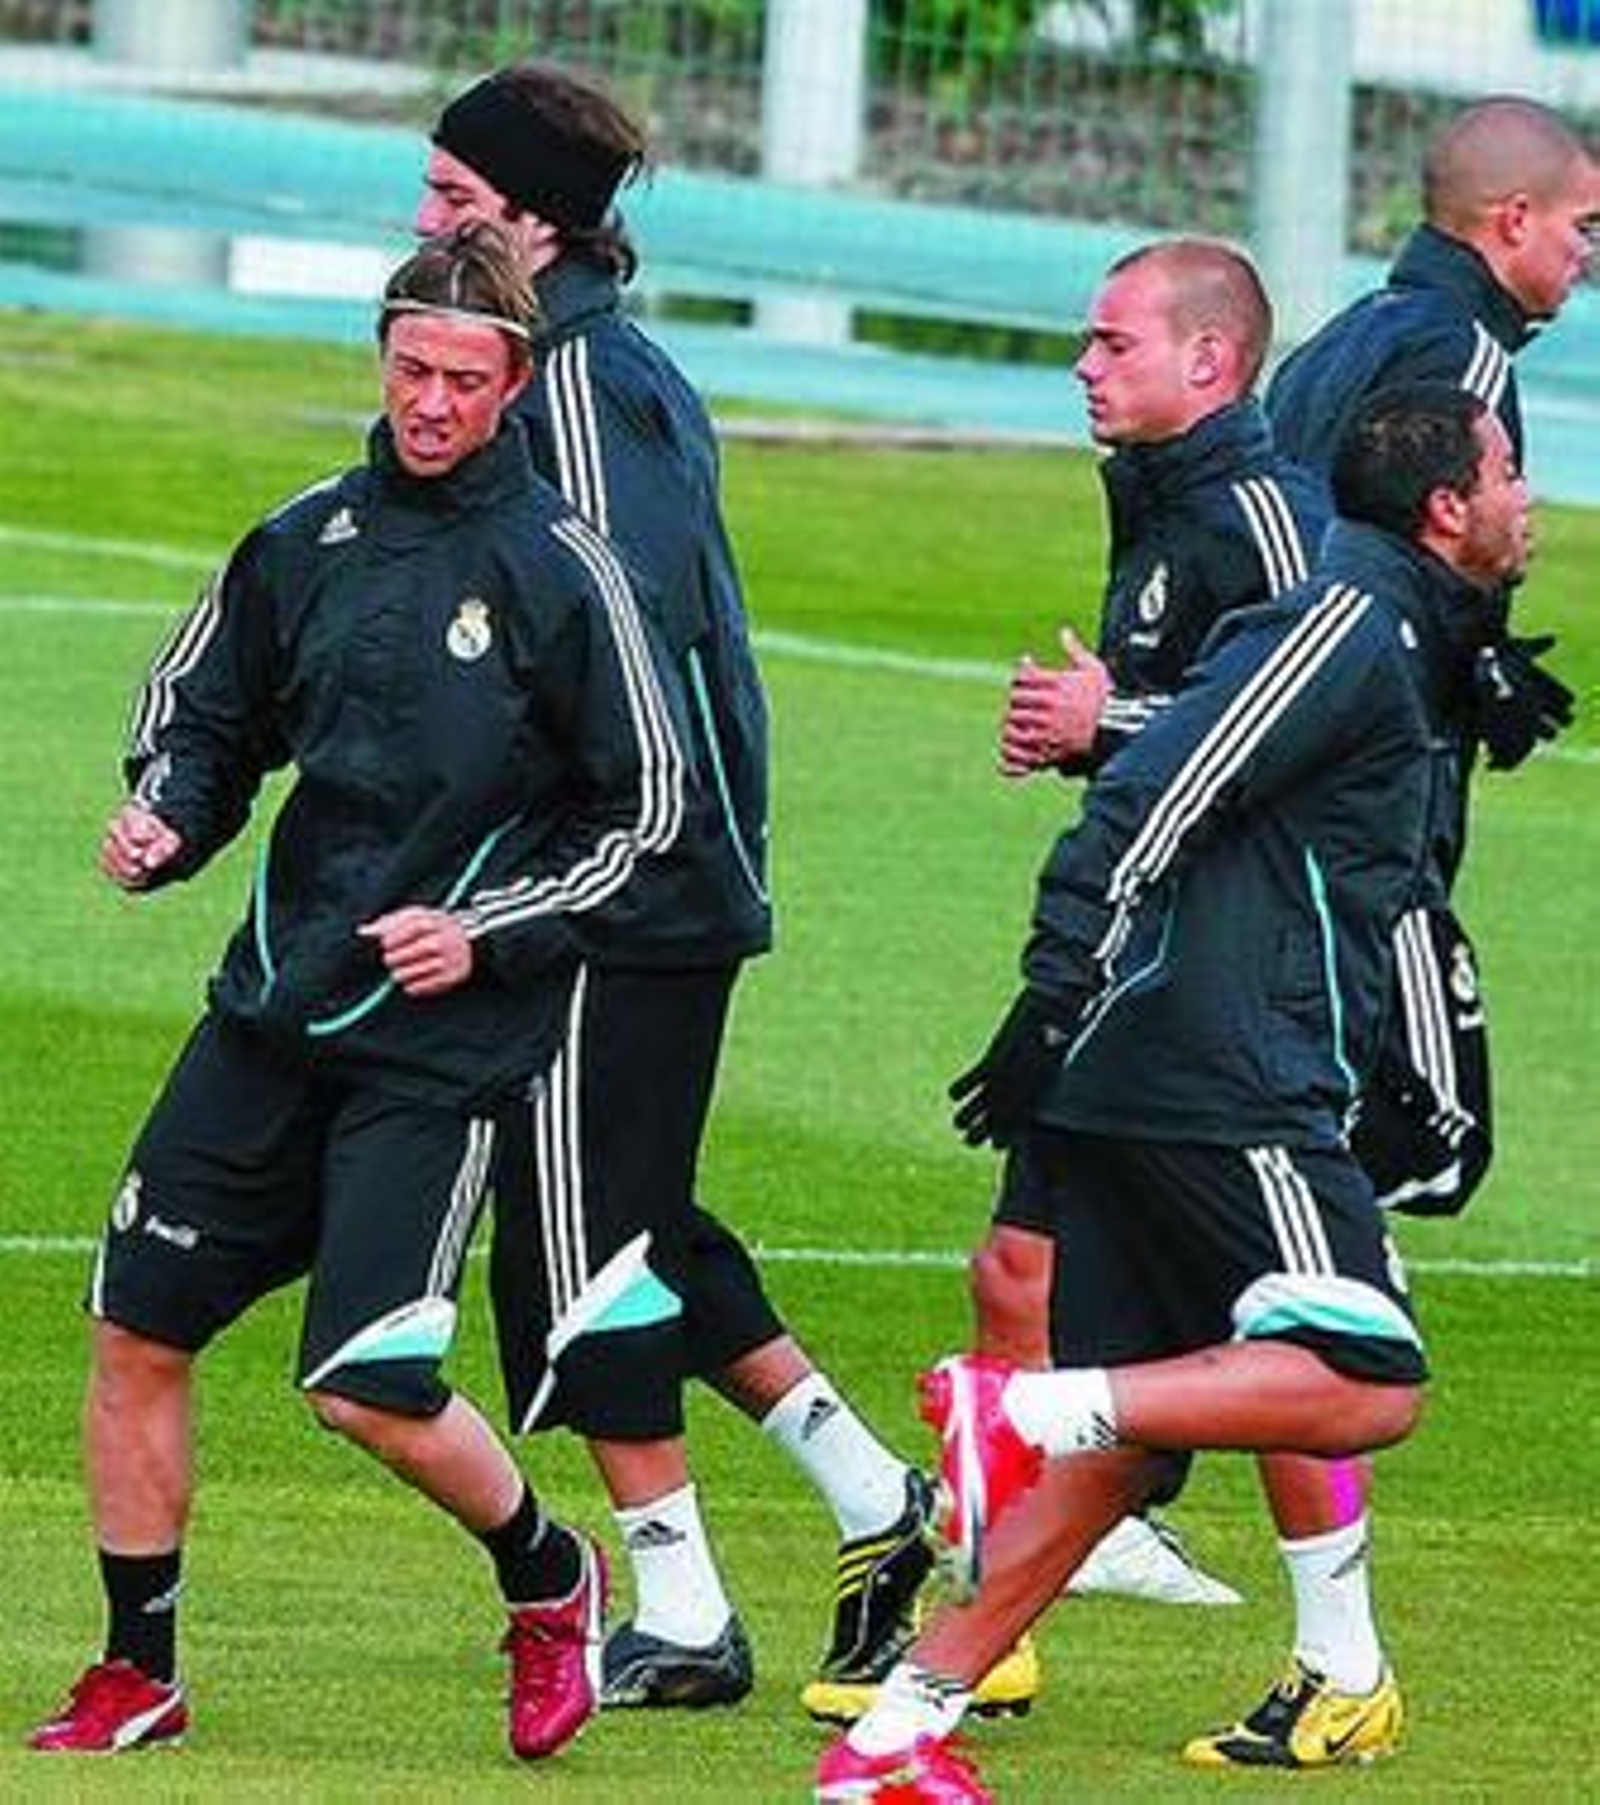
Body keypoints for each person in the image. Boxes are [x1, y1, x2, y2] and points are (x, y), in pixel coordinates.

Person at [415, 62, 1038, 1724]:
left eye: (456, 201)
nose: (423, 222)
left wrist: (584, 858)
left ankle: (682, 1604)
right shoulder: (594, 365)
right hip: (636, 879)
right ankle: (867, 1494)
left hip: (616, 891)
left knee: (575, 1249)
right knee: (640, 1216)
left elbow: (623, 642)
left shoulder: (575, 392)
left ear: (536, 222)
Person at [27, 225, 690, 1762]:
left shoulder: (564, 571)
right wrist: (168, 818)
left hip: (442, 1041)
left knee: (369, 1382)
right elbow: (205, 713)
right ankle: (141, 1668)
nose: (432, 403)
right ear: (381, 360)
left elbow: (649, 814)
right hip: (271, 1005)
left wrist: (488, 926)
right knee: (135, 1326)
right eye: (411, 369)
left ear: (516, 384)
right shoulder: (303, 537)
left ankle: (551, 1573)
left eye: (465, 379)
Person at [816, 381, 1534, 1801]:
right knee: (1367, 1375)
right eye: (1510, 471)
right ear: (1447, 506)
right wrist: (1048, 991)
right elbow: (1155, 786)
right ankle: (1015, 1412)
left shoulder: (1403, 629)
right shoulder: (1343, 625)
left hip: (1165, 1076)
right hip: (1225, 1079)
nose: (1530, 497)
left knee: (1130, 1445)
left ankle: (896, 1736)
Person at [1176, 94, 1597, 1767]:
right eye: (1582, 229)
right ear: (1511, 224)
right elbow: (1366, 599)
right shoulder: (1459, 367)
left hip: (1259, 839)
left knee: (1133, 1234)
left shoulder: (1357, 330)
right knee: (1328, 1266)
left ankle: (995, 1598)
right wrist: (1443, 687)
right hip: (1344, 876)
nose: (1586, 257)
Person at [989, 237, 1329, 1608]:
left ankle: (1341, 1648)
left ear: (1211, 357)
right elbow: (1196, 722)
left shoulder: (1265, 516)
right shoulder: (1162, 496)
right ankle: (1028, 1587)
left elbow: (1318, 726)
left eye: (1112, 341)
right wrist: (1091, 736)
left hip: (1234, 984)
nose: (1083, 363)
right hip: (1129, 962)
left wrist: (1109, 721)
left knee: (1297, 1328)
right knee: (1017, 1268)